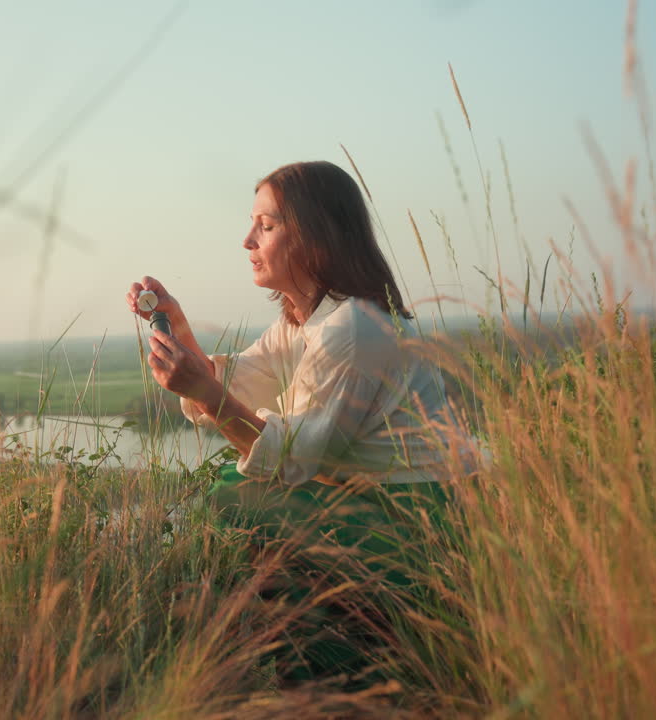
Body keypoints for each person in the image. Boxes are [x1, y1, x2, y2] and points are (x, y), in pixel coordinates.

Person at [125, 160, 470, 677]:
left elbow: (298, 457)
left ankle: (340, 659)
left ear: (314, 236)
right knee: (232, 484)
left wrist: (204, 391)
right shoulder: (309, 320)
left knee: (239, 495)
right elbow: (242, 381)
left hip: (417, 518)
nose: (248, 240)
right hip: (375, 501)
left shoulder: (353, 328)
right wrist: (182, 336)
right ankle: (298, 642)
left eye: (266, 226)